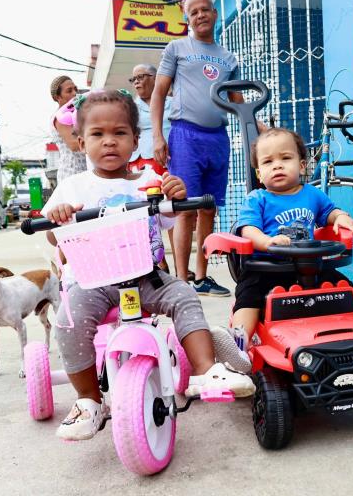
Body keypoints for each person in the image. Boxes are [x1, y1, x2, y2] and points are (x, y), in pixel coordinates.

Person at [42, 90, 254, 441]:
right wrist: (57, 219)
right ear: (80, 143)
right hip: (93, 281)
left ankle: (206, 371)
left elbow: (169, 219)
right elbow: (53, 237)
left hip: (145, 276)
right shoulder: (72, 186)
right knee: (69, 320)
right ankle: (89, 401)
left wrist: (176, 195)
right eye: (97, 134)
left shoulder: (148, 182)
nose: (109, 142)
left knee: (184, 294)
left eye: (119, 133)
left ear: (135, 140)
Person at [209, 128, 353, 373]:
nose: (277, 166)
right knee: (249, 297)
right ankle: (238, 346)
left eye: (285, 158)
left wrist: (341, 218)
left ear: (301, 166)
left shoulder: (313, 194)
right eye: (268, 162)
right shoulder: (257, 199)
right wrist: (266, 241)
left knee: (344, 288)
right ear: (259, 173)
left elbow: (329, 212)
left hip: (308, 267)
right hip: (266, 268)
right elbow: (247, 230)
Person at [151, 0, 243, 297]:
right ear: (187, 18)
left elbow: (238, 101)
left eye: (206, 10)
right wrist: (158, 135)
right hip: (184, 135)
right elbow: (159, 93)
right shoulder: (177, 48)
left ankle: (202, 277)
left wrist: (260, 130)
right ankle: (181, 279)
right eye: (194, 12)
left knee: (208, 209)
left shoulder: (229, 58)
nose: (201, 15)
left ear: (215, 15)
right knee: (185, 209)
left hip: (218, 137)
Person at [129, 63, 175, 274]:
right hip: (142, 163)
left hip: (170, 161)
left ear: (156, 78)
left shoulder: (173, 102)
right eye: (134, 79)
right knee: (149, 215)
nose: (137, 81)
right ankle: (159, 261)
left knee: (173, 211)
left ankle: (180, 266)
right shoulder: (130, 107)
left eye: (141, 76)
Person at [50, 75, 89, 182]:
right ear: (57, 97)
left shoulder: (75, 114)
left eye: (75, 89)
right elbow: (74, 145)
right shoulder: (60, 117)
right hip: (72, 172)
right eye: (69, 91)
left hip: (84, 171)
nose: (74, 93)